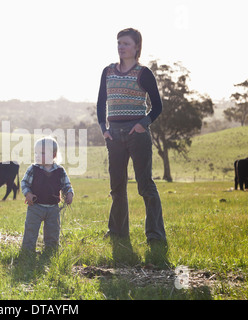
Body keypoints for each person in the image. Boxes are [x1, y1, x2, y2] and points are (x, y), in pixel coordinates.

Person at [96, 28, 166, 246]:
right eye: (119, 43)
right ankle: (117, 233)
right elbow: (101, 102)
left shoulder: (144, 73)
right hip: (114, 135)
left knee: (145, 185)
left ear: (137, 47)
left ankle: (155, 236)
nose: (121, 46)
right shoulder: (108, 72)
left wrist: (141, 125)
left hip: (138, 135)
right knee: (117, 187)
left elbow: (157, 107)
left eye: (125, 43)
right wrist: (104, 129)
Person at [20, 137, 74, 254]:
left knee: (53, 232)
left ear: (53, 155)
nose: (38, 155)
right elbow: (24, 182)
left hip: (53, 209)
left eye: (42, 153)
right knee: (31, 230)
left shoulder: (59, 170)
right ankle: (27, 252)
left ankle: (51, 251)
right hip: (35, 206)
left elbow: (66, 185)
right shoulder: (33, 169)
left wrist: (69, 193)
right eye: (36, 153)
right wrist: (28, 193)